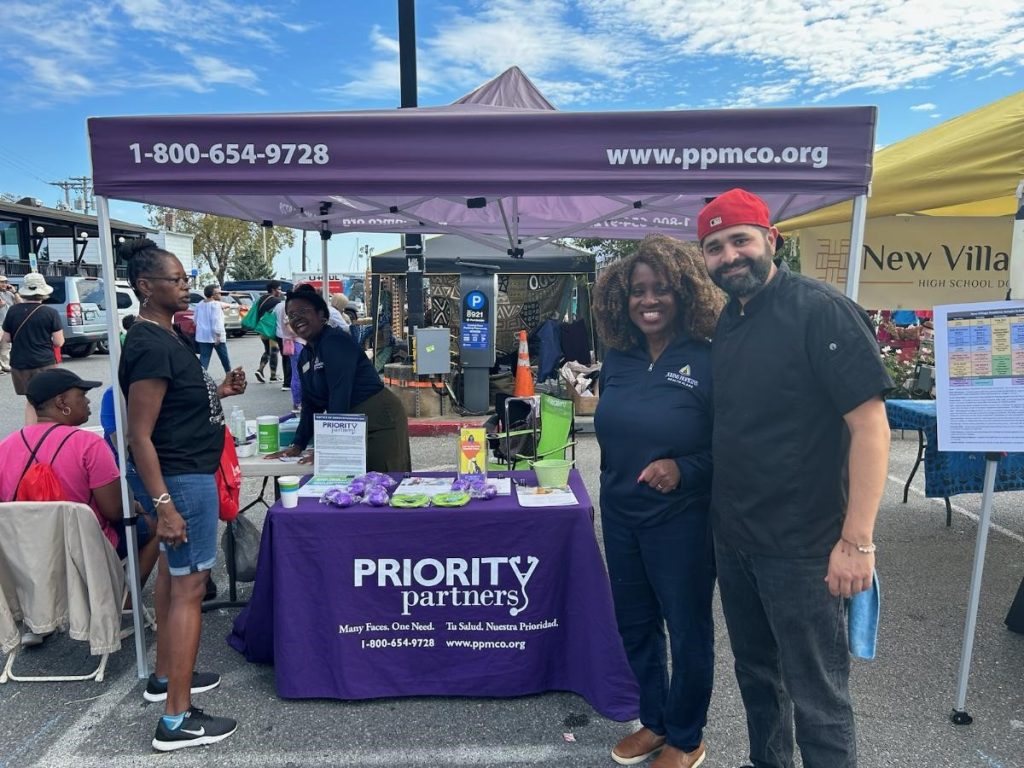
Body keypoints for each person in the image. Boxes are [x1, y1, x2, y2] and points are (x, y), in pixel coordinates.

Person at [697, 189, 892, 768]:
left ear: (771, 241)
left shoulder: (821, 311)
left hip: (804, 547)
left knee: (818, 698)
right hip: (736, 540)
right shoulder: (729, 321)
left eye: (740, 240)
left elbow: (871, 429)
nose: (729, 256)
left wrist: (857, 541)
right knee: (758, 679)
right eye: (714, 247)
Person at [592, 236, 723, 768]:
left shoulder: (710, 359)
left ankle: (687, 737)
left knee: (688, 627)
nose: (649, 300)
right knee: (636, 624)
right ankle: (656, 720)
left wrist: (685, 469)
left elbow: (737, 446)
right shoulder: (618, 358)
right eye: (637, 291)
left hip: (682, 520)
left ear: (686, 292)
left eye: (661, 289)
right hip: (622, 514)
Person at [118, 237, 246, 752]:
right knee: (191, 588)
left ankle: (167, 678)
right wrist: (164, 506)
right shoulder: (148, 342)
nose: (185, 286)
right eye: (177, 280)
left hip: (187, 472)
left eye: (186, 279)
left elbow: (177, 403)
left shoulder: (172, 336)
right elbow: (139, 433)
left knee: (176, 580)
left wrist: (222, 393)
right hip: (180, 479)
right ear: (147, 287)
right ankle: (177, 719)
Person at [0, 369, 159, 645]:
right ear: (62, 402)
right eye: (82, 396)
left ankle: (40, 615)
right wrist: (137, 506)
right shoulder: (88, 445)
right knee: (156, 527)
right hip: (83, 552)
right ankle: (124, 603)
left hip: (25, 555)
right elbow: (114, 511)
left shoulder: (5, 447)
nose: (88, 402)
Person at [268, 285, 411, 471]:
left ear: (322, 315)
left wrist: (329, 446)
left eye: (304, 311)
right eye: (292, 315)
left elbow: (339, 393)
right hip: (349, 423)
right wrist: (297, 445)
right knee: (352, 484)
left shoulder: (336, 342)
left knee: (381, 480)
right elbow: (310, 404)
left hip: (379, 420)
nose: (297, 318)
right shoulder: (305, 356)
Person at [1, 272, 63, 425]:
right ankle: (49, 432)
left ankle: (30, 435)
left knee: (31, 400)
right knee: (49, 398)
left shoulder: (12, 311)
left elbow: (6, 339)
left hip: (19, 364)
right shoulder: (50, 313)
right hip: (44, 362)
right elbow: (58, 342)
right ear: (43, 292)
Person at [193, 285, 231, 373]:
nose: (220, 294)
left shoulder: (200, 304)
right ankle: (229, 374)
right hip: (215, 336)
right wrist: (218, 335)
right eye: (219, 293)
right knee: (224, 357)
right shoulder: (215, 305)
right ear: (213, 295)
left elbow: (195, 320)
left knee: (204, 358)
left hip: (203, 336)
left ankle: (201, 377)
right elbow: (216, 321)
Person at [253, 279, 283, 383]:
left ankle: (260, 370)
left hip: (262, 330)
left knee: (267, 350)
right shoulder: (276, 301)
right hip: (271, 330)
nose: (280, 291)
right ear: (273, 290)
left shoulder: (261, 299)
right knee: (274, 351)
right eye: (279, 289)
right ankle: (273, 376)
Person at [0, 273, 21, 373]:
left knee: (6, 346)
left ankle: (5, 365)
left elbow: (20, 303)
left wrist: (15, 292)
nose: (4, 284)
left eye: (5, 282)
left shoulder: (9, 294)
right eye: (1, 282)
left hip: (7, 323)